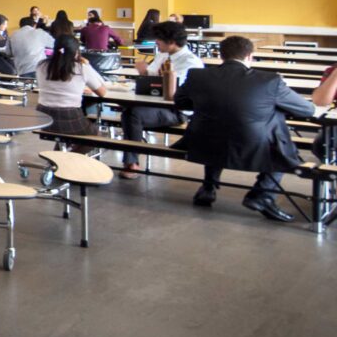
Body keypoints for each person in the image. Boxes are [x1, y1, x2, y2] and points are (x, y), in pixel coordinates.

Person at [173, 36, 315, 221]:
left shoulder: (198, 76)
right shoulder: (269, 81)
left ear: (220, 55)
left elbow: (180, 101)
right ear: (250, 56)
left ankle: (208, 188)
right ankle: (262, 195)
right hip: (252, 144)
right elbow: (307, 109)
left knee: (220, 125)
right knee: (282, 146)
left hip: (202, 140)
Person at [119, 21, 204, 178]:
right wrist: (144, 73)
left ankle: (131, 163)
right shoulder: (163, 55)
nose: (155, 42)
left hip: (176, 110)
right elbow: (152, 81)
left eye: (158, 38)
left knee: (132, 114)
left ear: (171, 42)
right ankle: (131, 159)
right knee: (128, 109)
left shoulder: (190, 62)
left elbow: (173, 89)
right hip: (153, 103)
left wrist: (147, 74)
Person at [34, 35, 108, 150]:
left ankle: (58, 158)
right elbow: (102, 92)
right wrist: (87, 66)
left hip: (43, 116)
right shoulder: (81, 68)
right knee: (95, 136)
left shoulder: (41, 65)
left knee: (65, 135)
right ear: (76, 52)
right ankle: (69, 160)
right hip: (69, 116)